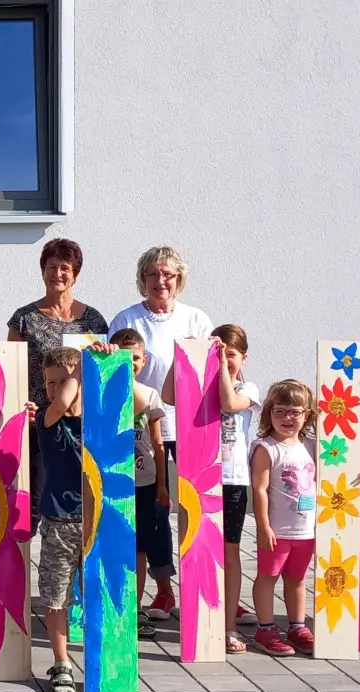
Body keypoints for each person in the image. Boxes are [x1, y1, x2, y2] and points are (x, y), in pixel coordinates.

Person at [110, 246, 216, 618]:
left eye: (168, 274)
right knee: (151, 511)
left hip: (190, 427)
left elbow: (210, 369)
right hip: (140, 429)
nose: (161, 282)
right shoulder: (128, 319)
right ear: (143, 279)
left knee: (192, 510)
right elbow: (112, 367)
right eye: (154, 274)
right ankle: (160, 590)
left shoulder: (196, 319)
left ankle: (200, 592)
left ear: (179, 279)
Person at [6, 239, 110, 518]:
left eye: (65, 267)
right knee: (32, 505)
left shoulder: (94, 321)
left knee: (79, 504)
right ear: (42, 271)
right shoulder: (24, 319)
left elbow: (101, 372)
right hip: (39, 425)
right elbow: (10, 370)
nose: (57, 274)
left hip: (80, 428)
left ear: (75, 273)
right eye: (51, 267)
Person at [249, 380, 318, 657]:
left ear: (307, 414)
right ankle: (265, 628)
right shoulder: (266, 448)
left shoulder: (313, 446)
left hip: (307, 531)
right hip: (277, 530)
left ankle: (297, 626)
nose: (287, 418)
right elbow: (260, 488)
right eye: (280, 412)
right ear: (269, 413)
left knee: (298, 579)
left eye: (295, 412)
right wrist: (264, 526)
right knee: (268, 576)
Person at [111, 329, 173, 628]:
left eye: (134, 357)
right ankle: (115, 603)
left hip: (145, 483)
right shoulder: (105, 390)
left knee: (139, 547)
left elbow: (159, 445)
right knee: (115, 542)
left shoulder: (149, 394)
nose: (130, 362)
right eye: (123, 356)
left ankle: (134, 607)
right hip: (113, 482)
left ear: (144, 360)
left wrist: (162, 484)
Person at [35, 347, 84, 692]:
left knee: (99, 595)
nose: (55, 389)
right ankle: (62, 661)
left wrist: (113, 361)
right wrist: (80, 370)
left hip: (97, 523)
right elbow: (60, 404)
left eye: (62, 382)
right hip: (59, 523)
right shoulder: (47, 419)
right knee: (56, 596)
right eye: (49, 383)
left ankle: (102, 656)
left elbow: (148, 400)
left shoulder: (100, 416)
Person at [211, 325, 262, 636]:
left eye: (231, 355)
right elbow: (168, 395)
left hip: (232, 480)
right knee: (200, 550)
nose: (225, 360)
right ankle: (205, 618)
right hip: (201, 479)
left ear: (244, 357)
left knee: (230, 552)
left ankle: (228, 626)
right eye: (220, 353)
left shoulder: (248, 389)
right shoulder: (200, 387)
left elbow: (229, 404)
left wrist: (219, 366)